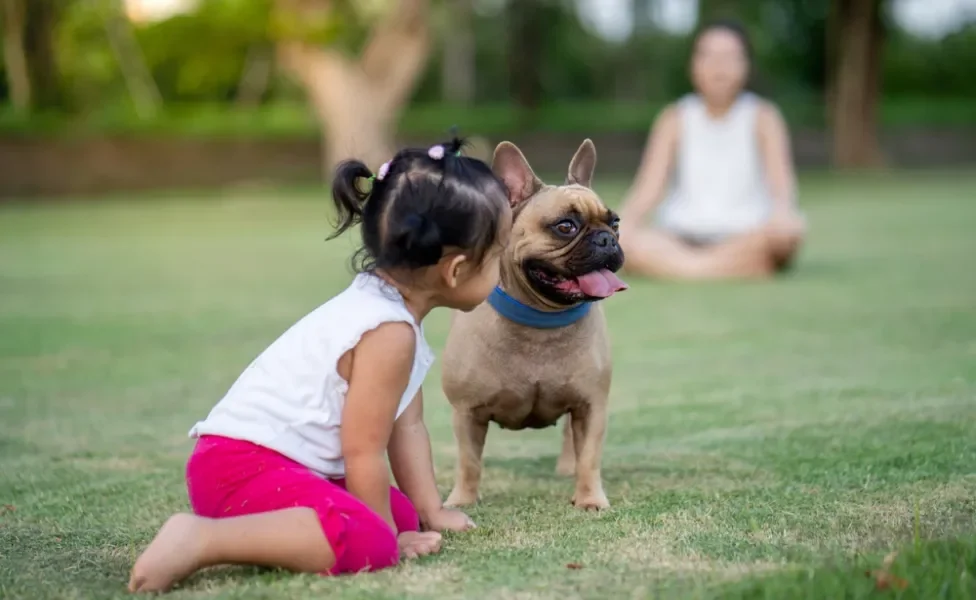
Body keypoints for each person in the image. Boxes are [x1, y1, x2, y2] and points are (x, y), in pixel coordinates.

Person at [128, 137, 512, 593]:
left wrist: (430, 511)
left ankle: (368, 525)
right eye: (499, 254)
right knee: (374, 539)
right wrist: (384, 539)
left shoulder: (390, 310)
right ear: (455, 270)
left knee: (401, 512)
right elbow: (363, 451)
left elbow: (405, 427)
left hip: (265, 466)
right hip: (242, 470)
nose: (503, 266)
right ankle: (203, 539)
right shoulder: (387, 332)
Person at [618, 19, 806, 280]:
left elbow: (781, 187)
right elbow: (649, 187)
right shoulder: (674, 118)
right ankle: (721, 269)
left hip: (746, 236)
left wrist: (783, 214)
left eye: (729, 57)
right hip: (680, 236)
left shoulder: (764, 117)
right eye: (709, 56)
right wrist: (623, 225)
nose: (719, 66)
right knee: (628, 241)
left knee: (789, 233)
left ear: (746, 65)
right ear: (693, 64)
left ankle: (686, 269)